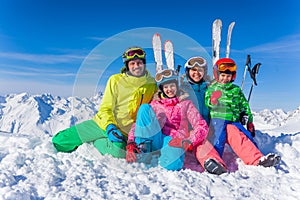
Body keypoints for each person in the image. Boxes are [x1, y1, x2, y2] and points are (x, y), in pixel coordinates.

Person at [52, 47, 157, 158]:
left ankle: (97, 142)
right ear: (127, 65)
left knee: (119, 152)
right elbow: (106, 108)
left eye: (139, 62)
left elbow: (156, 105)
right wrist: (110, 127)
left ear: (144, 64)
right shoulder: (115, 80)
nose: (136, 66)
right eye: (132, 63)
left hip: (126, 132)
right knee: (59, 141)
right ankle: (97, 136)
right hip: (102, 124)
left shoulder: (151, 84)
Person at [126, 69, 227, 175]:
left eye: (172, 86)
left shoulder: (186, 104)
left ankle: (165, 155)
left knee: (173, 165)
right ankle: (142, 150)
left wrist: (188, 141)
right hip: (156, 137)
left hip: (174, 140)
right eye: (166, 87)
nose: (169, 89)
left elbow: (201, 125)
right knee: (144, 108)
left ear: (177, 86)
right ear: (161, 89)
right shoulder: (155, 104)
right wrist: (131, 141)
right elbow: (139, 123)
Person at [205, 57, 281, 167]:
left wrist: (249, 120)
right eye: (222, 75)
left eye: (228, 76)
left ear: (232, 76)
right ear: (217, 75)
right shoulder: (212, 88)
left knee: (243, 137)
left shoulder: (236, 90)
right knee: (217, 139)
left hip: (233, 121)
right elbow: (207, 102)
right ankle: (214, 161)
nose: (225, 78)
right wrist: (212, 100)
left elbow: (244, 106)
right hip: (218, 119)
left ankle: (257, 159)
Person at [180, 56, 211, 124]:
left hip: (209, 127)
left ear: (204, 72)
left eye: (200, 70)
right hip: (190, 129)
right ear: (188, 72)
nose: (196, 72)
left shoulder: (209, 88)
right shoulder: (182, 89)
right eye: (193, 70)